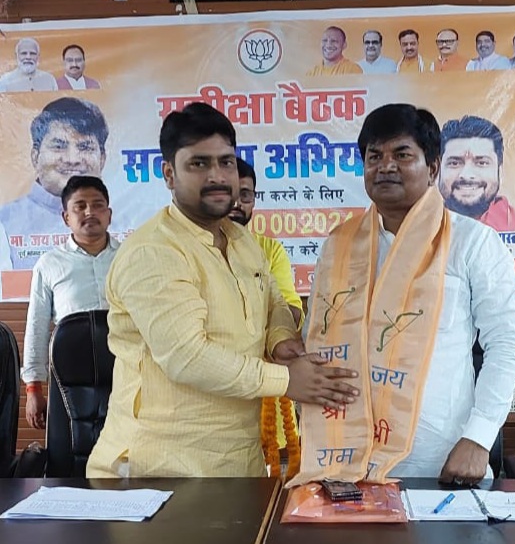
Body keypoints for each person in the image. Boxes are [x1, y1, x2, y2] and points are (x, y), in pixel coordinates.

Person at [86, 102, 359, 479]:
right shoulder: (155, 251)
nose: (217, 176)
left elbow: (273, 302)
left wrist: (281, 339)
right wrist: (287, 379)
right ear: (169, 174)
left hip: (237, 461)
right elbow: (187, 357)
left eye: (226, 162)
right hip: (160, 468)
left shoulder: (242, 240)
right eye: (199, 164)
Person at [288, 104, 515, 487]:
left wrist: (479, 438)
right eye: (374, 157)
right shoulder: (339, 245)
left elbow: (506, 344)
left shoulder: (472, 242)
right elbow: (318, 338)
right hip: (347, 464)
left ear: (432, 168)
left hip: (441, 462)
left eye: (401, 154)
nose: (385, 166)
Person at [22, 175, 118, 430]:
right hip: (69, 381)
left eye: (98, 205)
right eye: (80, 206)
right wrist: (33, 388)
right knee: (71, 448)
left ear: (109, 214)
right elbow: (37, 328)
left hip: (127, 376)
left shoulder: (130, 258)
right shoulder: (49, 265)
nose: (90, 212)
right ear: (66, 217)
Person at [0, 97, 109, 270]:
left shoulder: (126, 221)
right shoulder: (5, 222)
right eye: (59, 146)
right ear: (35, 157)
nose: (72, 159)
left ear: (102, 158)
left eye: (85, 147)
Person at [439, 114, 515, 252]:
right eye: (454, 163)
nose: (466, 175)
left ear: (500, 171)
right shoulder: (418, 232)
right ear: (437, 170)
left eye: (481, 163)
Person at [229, 157, 303, 329]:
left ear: (254, 200)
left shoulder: (270, 250)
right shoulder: (194, 247)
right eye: (229, 194)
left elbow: (293, 313)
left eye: (244, 195)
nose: (236, 203)